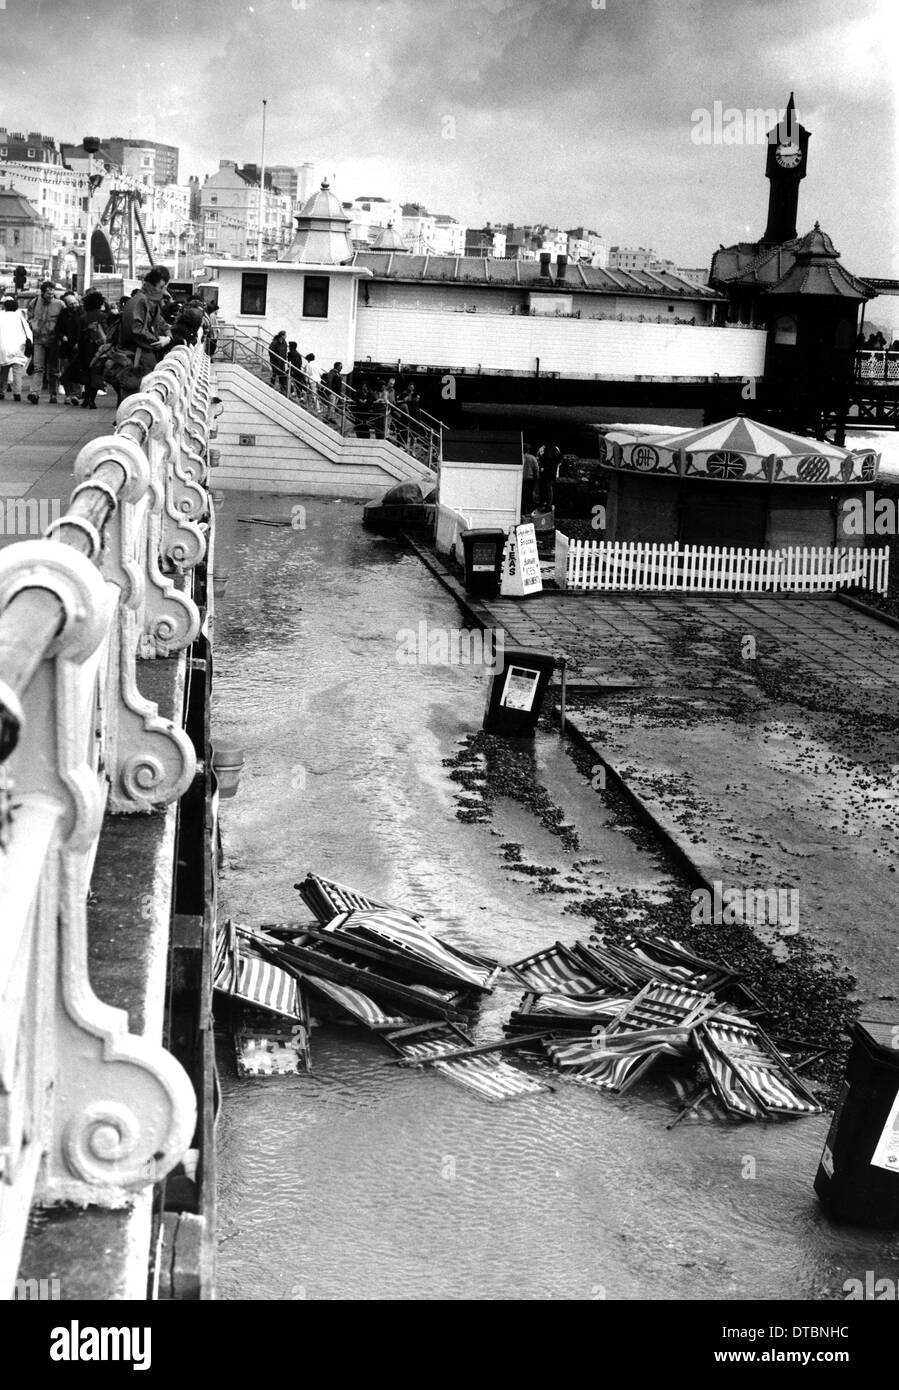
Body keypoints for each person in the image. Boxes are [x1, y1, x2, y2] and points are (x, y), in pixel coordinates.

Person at [116, 265, 172, 400]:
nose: (164, 292)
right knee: (134, 398)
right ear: (153, 285)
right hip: (136, 358)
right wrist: (159, 341)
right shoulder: (140, 300)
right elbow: (136, 330)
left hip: (142, 357)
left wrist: (168, 336)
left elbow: (160, 322)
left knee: (138, 397)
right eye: (161, 287)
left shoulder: (149, 301)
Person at [68, 289, 108, 409]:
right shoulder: (103, 316)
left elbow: (78, 335)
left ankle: (86, 399)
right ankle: (91, 399)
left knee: (87, 373)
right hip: (100, 348)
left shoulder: (83, 317)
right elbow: (107, 333)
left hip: (86, 348)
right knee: (96, 373)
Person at [26, 280, 64, 404]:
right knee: (38, 368)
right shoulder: (34, 302)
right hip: (39, 340)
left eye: (52, 293)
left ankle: (53, 394)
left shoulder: (60, 304)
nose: (50, 295)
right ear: (42, 292)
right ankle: (34, 393)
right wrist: (33, 325)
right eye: (48, 293)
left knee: (54, 369)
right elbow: (29, 316)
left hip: (54, 341)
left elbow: (65, 321)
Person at [0, 295, 32, 402]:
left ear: (5, 307)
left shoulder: (1, 316)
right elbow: (28, 332)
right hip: (19, 348)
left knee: (3, 372)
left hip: (3, 348)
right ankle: (17, 394)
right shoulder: (20, 317)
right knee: (17, 373)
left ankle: (1, 392)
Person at [57, 291, 86, 403]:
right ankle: (68, 394)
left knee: (77, 371)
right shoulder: (63, 314)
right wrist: (62, 336)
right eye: (71, 304)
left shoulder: (82, 313)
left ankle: (76, 394)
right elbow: (58, 329)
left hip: (78, 347)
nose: (74, 305)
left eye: (75, 303)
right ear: (66, 305)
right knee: (66, 371)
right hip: (65, 347)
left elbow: (84, 330)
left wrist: (79, 342)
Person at [537, 441, 562, 510]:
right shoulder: (556, 449)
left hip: (546, 472)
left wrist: (542, 467)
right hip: (551, 472)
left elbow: (540, 459)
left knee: (546, 488)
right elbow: (559, 461)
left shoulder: (543, 449)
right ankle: (548, 504)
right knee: (548, 487)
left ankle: (545, 504)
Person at [521, 442, 540, 514]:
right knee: (529, 496)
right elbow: (536, 470)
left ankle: (522, 511)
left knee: (522, 496)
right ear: (528, 450)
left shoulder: (519, 457)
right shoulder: (532, 458)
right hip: (530, 479)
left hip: (521, 479)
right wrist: (537, 480)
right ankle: (529, 511)